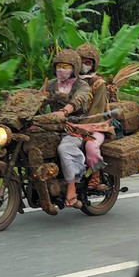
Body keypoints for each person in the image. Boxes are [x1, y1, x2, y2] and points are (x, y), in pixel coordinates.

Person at [43, 49, 90, 209]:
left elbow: (78, 100)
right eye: (59, 66)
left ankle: (71, 191)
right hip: (52, 127)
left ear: (74, 68)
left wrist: (64, 111)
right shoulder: (50, 84)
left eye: (66, 66)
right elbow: (37, 98)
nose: (61, 70)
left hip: (74, 128)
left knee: (65, 148)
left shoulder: (81, 85)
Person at [76, 43, 111, 191]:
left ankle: (96, 174)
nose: (84, 65)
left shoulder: (98, 84)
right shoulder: (72, 81)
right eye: (81, 61)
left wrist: (80, 126)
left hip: (97, 125)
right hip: (73, 125)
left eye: (88, 62)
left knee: (91, 146)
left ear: (94, 64)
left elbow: (97, 111)